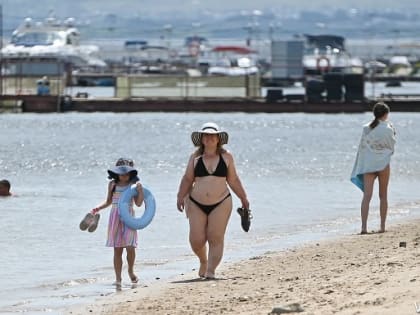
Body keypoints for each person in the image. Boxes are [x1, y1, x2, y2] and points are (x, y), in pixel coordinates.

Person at [177, 122, 250, 279]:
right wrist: (180, 196)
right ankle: (203, 261)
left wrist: (244, 198)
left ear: (218, 139)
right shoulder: (195, 158)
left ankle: (210, 271)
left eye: (213, 135)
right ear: (202, 139)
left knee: (215, 236)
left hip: (221, 201)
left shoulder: (227, 157)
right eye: (206, 135)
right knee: (197, 240)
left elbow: (234, 180)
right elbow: (188, 178)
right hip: (196, 202)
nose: (209, 138)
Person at [91, 158, 144, 287]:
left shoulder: (133, 186)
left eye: (126, 173)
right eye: (121, 173)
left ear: (131, 173)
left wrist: (140, 191)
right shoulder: (112, 185)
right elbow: (109, 201)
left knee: (130, 247)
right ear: (116, 173)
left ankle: (131, 270)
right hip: (115, 217)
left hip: (129, 217)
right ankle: (118, 278)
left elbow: (138, 203)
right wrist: (97, 208)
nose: (123, 175)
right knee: (117, 249)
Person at [351, 102, 396, 234]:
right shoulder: (389, 128)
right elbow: (391, 148)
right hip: (383, 165)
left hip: (369, 166)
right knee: (383, 196)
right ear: (386, 114)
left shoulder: (366, 128)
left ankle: (364, 228)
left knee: (366, 197)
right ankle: (382, 227)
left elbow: (363, 148)